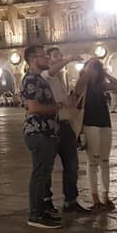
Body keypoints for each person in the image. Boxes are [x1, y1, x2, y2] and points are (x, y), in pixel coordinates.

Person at [41, 48, 90, 214]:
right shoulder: (45, 75)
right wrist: (69, 58)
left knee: (71, 164)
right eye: (56, 56)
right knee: (46, 165)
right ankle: (46, 200)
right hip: (51, 125)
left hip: (65, 124)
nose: (60, 58)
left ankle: (71, 199)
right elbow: (52, 71)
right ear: (48, 59)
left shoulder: (60, 79)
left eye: (60, 55)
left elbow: (69, 101)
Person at [20, 45, 63, 229]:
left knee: (44, 174)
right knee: (39, 174)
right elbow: (34, 107)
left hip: (46, 131)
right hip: (37, 131)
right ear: (32, 60)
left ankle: (41, 210)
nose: (47, 58)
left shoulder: (38, 78)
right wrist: (57, 107)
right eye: (43, 56)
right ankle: (35, 215)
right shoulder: (30, 79)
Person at [74, 58, 117, 211]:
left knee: (105, 160)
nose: (94, 69)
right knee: (93, 161)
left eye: (97, 67)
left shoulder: (101, 85)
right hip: (89, 124)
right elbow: (77, 89)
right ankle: (95, 198)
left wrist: (106, 73)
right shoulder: (84, 84)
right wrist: (87, 72)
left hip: (105, 123)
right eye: (91, 66)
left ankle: (106, 196)